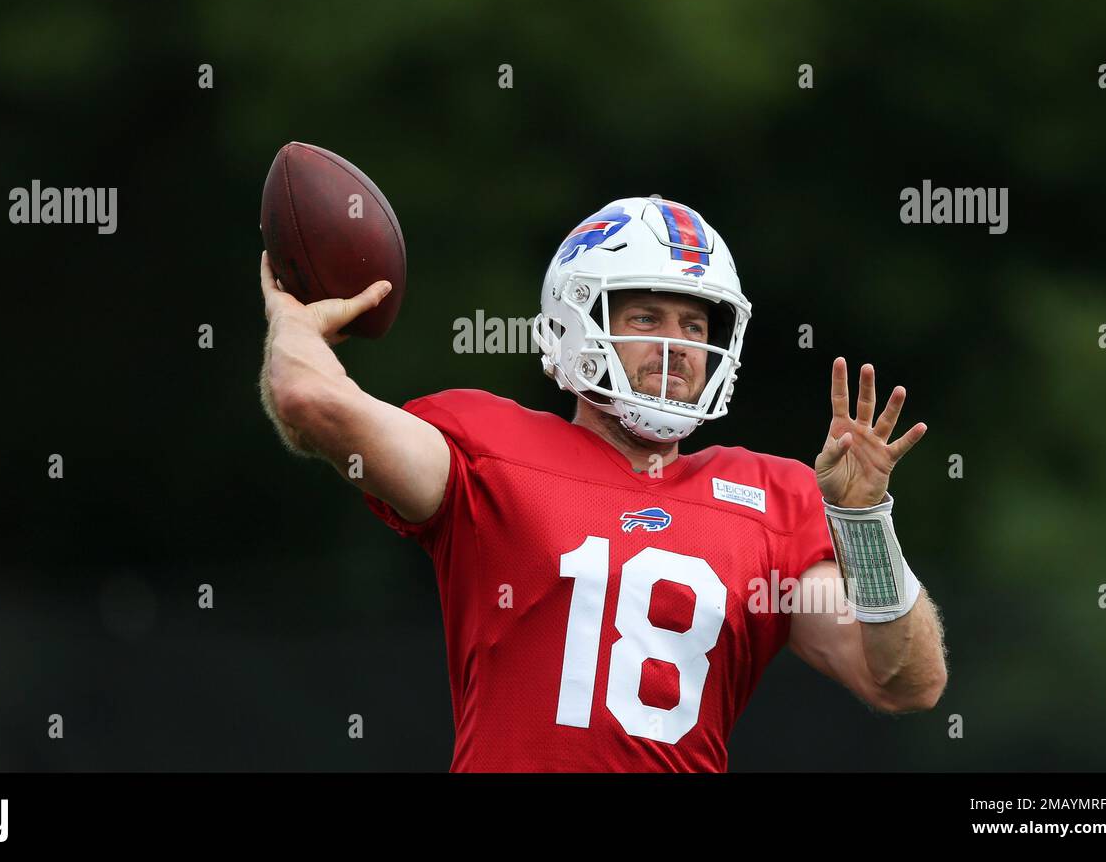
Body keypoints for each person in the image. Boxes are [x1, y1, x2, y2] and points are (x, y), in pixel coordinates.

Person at [259, 196, 948, 771]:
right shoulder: (490, 450)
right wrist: (295, 324)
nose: (677, 347)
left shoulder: (769, 497)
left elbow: (907, 681)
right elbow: (310, 403)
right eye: (646, 317)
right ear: (577, 321)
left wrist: (866, 525)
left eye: (695, 323)